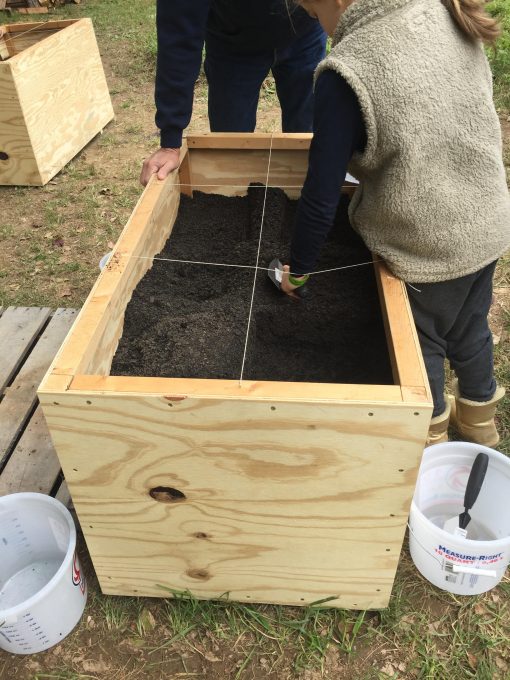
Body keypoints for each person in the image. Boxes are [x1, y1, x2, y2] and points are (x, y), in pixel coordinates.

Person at [279, 0, 510, 446]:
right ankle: (482, 424)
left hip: (426, 239)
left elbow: (321, 193)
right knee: (470, 326)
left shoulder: (347, 71)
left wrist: (300, 270)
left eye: (312, 13)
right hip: (486, 219)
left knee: (423, 343)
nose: (317, 25)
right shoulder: (438, 9)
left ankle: (431, 437)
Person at [140, 1, 326, 186]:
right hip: (231, 42)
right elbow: (179, 33)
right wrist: (170, 141)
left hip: (305, 32)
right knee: (230, 152)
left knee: (308, 141)